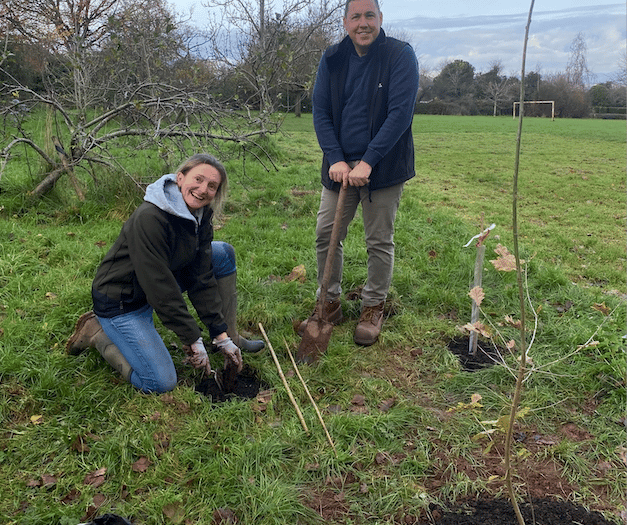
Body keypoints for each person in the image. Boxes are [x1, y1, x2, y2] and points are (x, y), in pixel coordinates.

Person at [66, 153, 264, 393]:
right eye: (198, 179)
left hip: (155, 284)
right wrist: (192, 338)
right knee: (160, 382)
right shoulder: (150, 217)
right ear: (180, 178)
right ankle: (98, 334)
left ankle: (230, 337)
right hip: (122, 301)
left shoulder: (201, 215)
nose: (203, 190)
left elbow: (200, 277)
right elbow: (159, 286)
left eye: (212, 186)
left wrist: (219, 333)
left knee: (220, 253)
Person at [299, 0, 419, 346]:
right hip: (338, 168)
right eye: (356, 16)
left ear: (380, 19)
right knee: (326, 234)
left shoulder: (399, 56)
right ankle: (330, 302)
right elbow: (320, 111)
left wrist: (368, 161)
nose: (363, 23)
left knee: (378, 239)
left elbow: (400, 114)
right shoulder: (332, 58)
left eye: (370, 15)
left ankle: (373, 305)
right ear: (345, 22)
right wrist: (336, 158)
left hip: (382, 168)